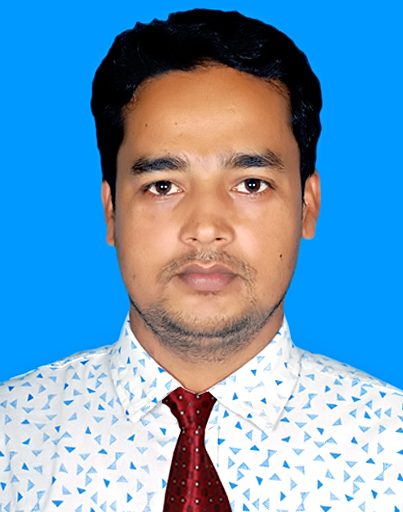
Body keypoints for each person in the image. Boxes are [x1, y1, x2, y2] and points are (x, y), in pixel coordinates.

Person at [0, 8, 402, 511]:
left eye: (251, 184)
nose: (206, 227)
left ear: (308, 205)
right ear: (111, 212)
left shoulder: (392, 446)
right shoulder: (11, 437)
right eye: (162, 186)